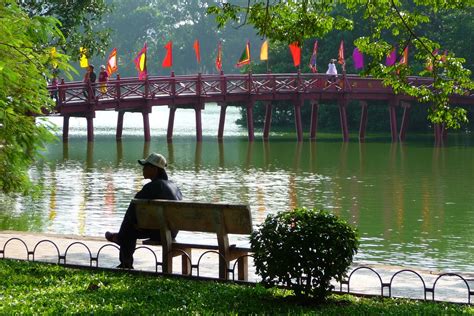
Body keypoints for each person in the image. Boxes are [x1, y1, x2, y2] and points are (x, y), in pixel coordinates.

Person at [105, 153, 183, 269]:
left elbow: (134, 206)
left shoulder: (152, 187)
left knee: (129, 228)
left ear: (155, 169)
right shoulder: (174, 186)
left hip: (159, 232)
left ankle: (125, 260)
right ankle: (122, 238)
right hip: (172, 232)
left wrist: (136, 223)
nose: (143, 169)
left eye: (146, 166)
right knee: (131, 225)